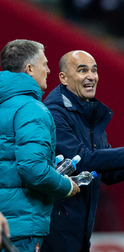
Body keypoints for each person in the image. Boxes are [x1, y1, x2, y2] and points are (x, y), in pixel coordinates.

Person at [41, 50, 124, 252]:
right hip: (55, 228)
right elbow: (81, 160)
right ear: (63, 77)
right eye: (82, 70)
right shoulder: (54, 113)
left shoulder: (89, 113)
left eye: (94, 70)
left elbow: (107, 171)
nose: (91, 76)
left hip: (80, 229)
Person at [0, 39, 80, 251]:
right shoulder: (32, 109)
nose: (49, 69)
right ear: (29, 69)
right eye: (44, 64)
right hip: (20, 228)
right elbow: (32, 169)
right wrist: (66, 186)